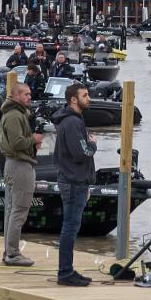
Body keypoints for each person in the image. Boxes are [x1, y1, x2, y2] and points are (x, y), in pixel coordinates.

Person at [52, 82, 97, 287]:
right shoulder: (72, 123)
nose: (89, 98)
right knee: (70, 228)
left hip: (74, 180)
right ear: (73, 99)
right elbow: (81, 153)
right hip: (73, 181)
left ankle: (68, 269)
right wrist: (93, 143)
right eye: (85, 95)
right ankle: (65, 272)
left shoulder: (73, 121)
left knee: (71, 227)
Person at [0, 82, 42, 267]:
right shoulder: (15, 115)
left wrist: (32, 144)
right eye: (26, 94)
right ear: (16, 96)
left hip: (15, 164)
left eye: (30, 94)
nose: (29, 97)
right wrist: (34, 139)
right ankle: (13, 254)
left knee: (12, 210)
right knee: (19, 211)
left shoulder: (15, 114)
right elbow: (16, 143)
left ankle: (9, 251)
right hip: (19, 166)